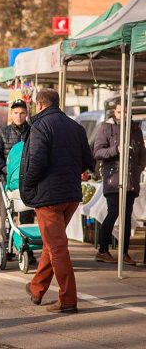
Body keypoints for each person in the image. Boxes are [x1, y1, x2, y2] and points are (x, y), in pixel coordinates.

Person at [20, 88, 93, 314]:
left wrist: (29, 186)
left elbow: (37, 161)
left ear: (40, 105)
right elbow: (87, 161)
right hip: (70, 195)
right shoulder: (76, 127)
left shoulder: (40, 126)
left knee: (57, 248)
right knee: (53, 244)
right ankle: (36, 288)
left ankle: (68, 299)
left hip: (49, 196)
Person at [93, 103, 146, 265]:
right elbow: (97, 152)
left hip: (130, 179)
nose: (122, 114)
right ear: (114, 113)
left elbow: (142, 153)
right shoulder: (106, 128)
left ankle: (124, 252)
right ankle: (102, 250)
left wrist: (138, 168)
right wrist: (116, 149)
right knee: (114, 212)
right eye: (119, 111)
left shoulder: (135, 130)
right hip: (113, 178)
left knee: (126, 216)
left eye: (125, 111)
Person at [0, 99, 35, 262]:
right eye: (16, 113)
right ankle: (7, 246)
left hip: (28, 181)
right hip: (7, 180)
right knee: (6, 215)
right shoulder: (2, 132)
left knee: (27, 214)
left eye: (22, 113)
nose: (19, 116)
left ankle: (27, 247)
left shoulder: (33, 131)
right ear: (12, 114)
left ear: (27, 114)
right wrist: (5, 170)